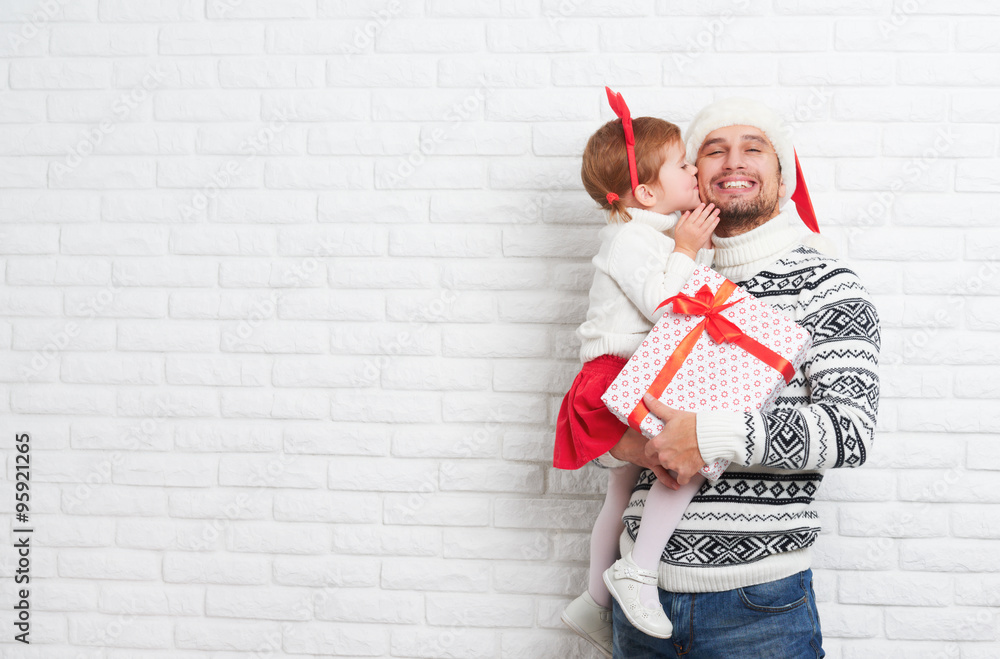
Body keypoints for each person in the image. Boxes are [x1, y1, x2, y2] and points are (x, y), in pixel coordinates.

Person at [597, 97, 881, 658]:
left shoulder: (828, 284)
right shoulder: (662, 276)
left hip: (758, 606)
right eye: (713, 150)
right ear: (691, 176)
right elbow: (606, 395)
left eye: (754, 148)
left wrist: (709, 435)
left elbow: (849, 432)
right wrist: (626, 442)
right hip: (636, 601)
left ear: (783, 175)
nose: (733, 162)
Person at [554, 87, 724, 658]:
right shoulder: (632, 236)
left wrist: (685, 248)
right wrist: (686, 246)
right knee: (688, 463)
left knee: (620, 490)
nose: (694, 170)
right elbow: (663, 305)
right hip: (620, 374)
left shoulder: (647, 236)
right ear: (647, 191)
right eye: (683, 164)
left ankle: (592, 603)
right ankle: (639, 571)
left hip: (628, 371)